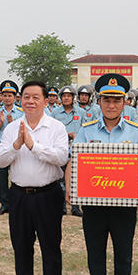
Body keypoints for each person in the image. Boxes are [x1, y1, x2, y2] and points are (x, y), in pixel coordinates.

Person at [67, 74, 138, 275]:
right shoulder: (86, 131)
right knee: (95, 251)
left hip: (125, 205)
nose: (112, 105)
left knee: (123, 252)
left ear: (124, 102)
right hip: (94, 204)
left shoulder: (135, 132)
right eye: (107, 100)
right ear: (99, 102)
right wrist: (70, 189)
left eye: (117, 100)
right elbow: (73, 162)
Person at [0, 80, 69, 275]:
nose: (30, 101)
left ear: (46, 101)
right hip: (19, 196)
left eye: (36, 97)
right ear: (20, 100)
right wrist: (16, 145)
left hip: (48, 195)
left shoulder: (55, 127)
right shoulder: (11, 128)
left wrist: (33, 146)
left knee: (51, 247)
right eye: (26, 96)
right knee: (21, 247)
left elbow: (61, 157)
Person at [49, 85, 86, 217]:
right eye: (64, 96)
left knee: (76, 178)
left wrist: (78, 135)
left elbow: (85, 129)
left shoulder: (81, 112)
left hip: (76, 149)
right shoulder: (56, 113)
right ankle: (62, 206)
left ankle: (75, 207)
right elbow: (51, 130)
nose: (66, 98)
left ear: (73, 98)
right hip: (61, 148)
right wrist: (66, 134)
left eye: (69, 96)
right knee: (60, 178)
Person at [0, 80, 24, 215]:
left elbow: (24, 130)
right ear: (1, 96)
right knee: (2, 176)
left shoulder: (21, 112)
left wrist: (12, 123)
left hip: (17, 145)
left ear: (15, 97)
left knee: (17, 173)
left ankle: (17, 202)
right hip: (0, 145)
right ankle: (4, 204)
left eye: (10, 95)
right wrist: (1, 123)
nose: (7, 98)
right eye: (5, 95)